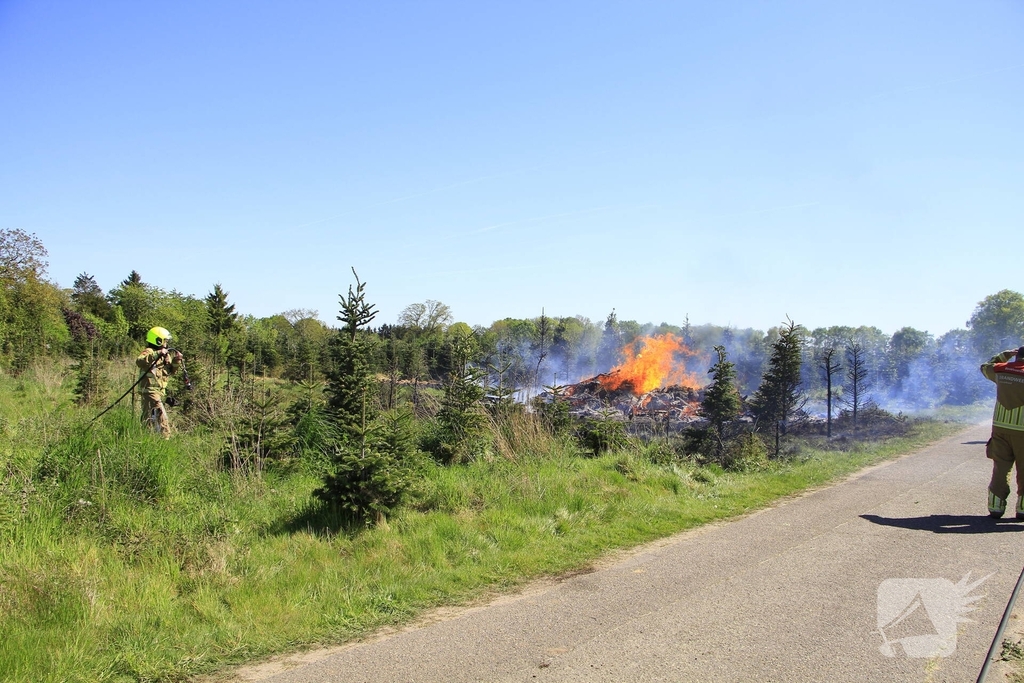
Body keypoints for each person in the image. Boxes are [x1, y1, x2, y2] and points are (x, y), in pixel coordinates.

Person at [981, 346, 1024, 518]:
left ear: (1016, 356)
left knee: (1000, 468)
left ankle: (996, 506)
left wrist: (1004, 355)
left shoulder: (1001, 370)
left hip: (1000, 428)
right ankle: (1022, 509)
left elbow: (985, 367)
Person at [136, 326, 182, 439]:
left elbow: (171, 371)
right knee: (160, 414)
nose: (166, 343)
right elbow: (140, 361)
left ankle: (146, 437)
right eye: (165, 340)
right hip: (149, 390)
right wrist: (157, 353)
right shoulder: (149, 352)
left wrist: (177, 360)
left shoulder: (166, 355)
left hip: (158, 391)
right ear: (158, 340)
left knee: (149, 416)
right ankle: (165, 438)